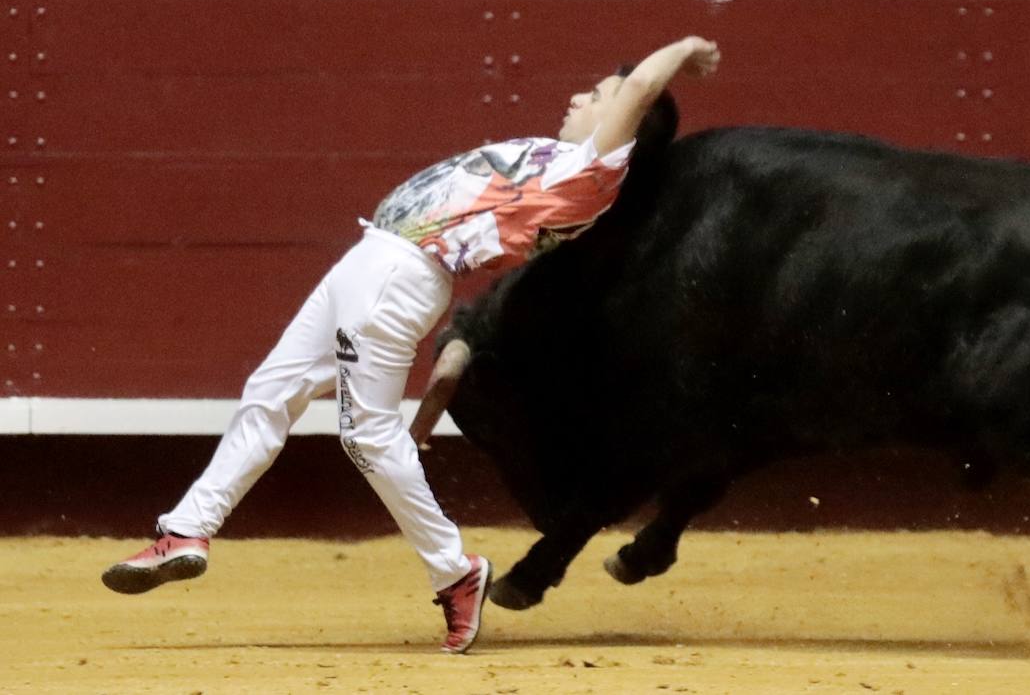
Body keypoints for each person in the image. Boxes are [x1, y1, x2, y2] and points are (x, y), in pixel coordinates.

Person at [100, 35, 721, 654]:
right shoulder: (566, 165)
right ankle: (186, 530)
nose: (578, 97)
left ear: (625, 126)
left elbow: (641, 87)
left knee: (367, 435)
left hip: (401, 274)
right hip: (374, 259)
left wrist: (686, 46)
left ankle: (454, 572)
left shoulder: (593, 169)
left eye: (598, 95)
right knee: (272, 390)